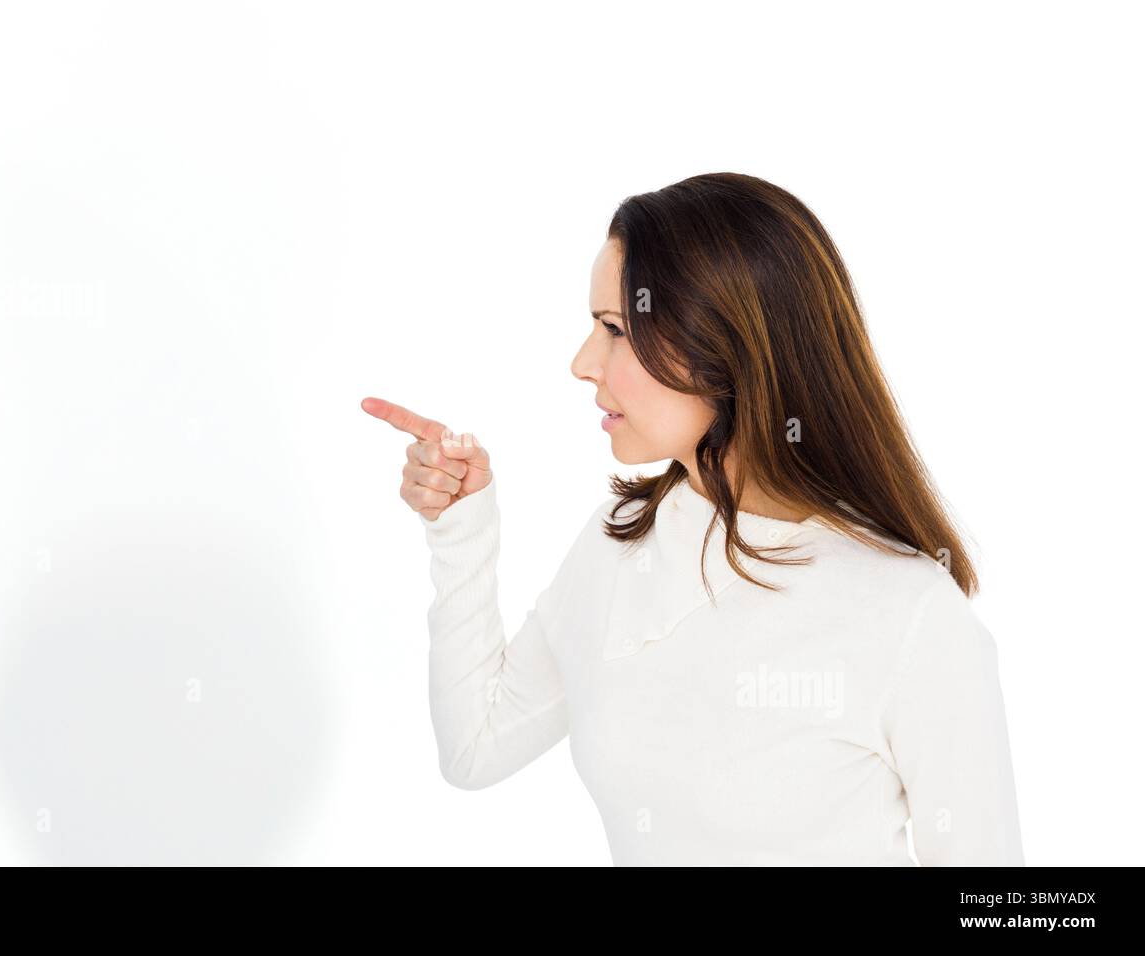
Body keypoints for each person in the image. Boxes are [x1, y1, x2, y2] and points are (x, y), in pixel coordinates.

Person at [360, 172, 1024, 866]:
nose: (583, 363)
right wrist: (462, 527)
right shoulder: (625, 544)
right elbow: (477, 746)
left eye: (616, 329)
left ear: (725, 345)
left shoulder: (909, 613)